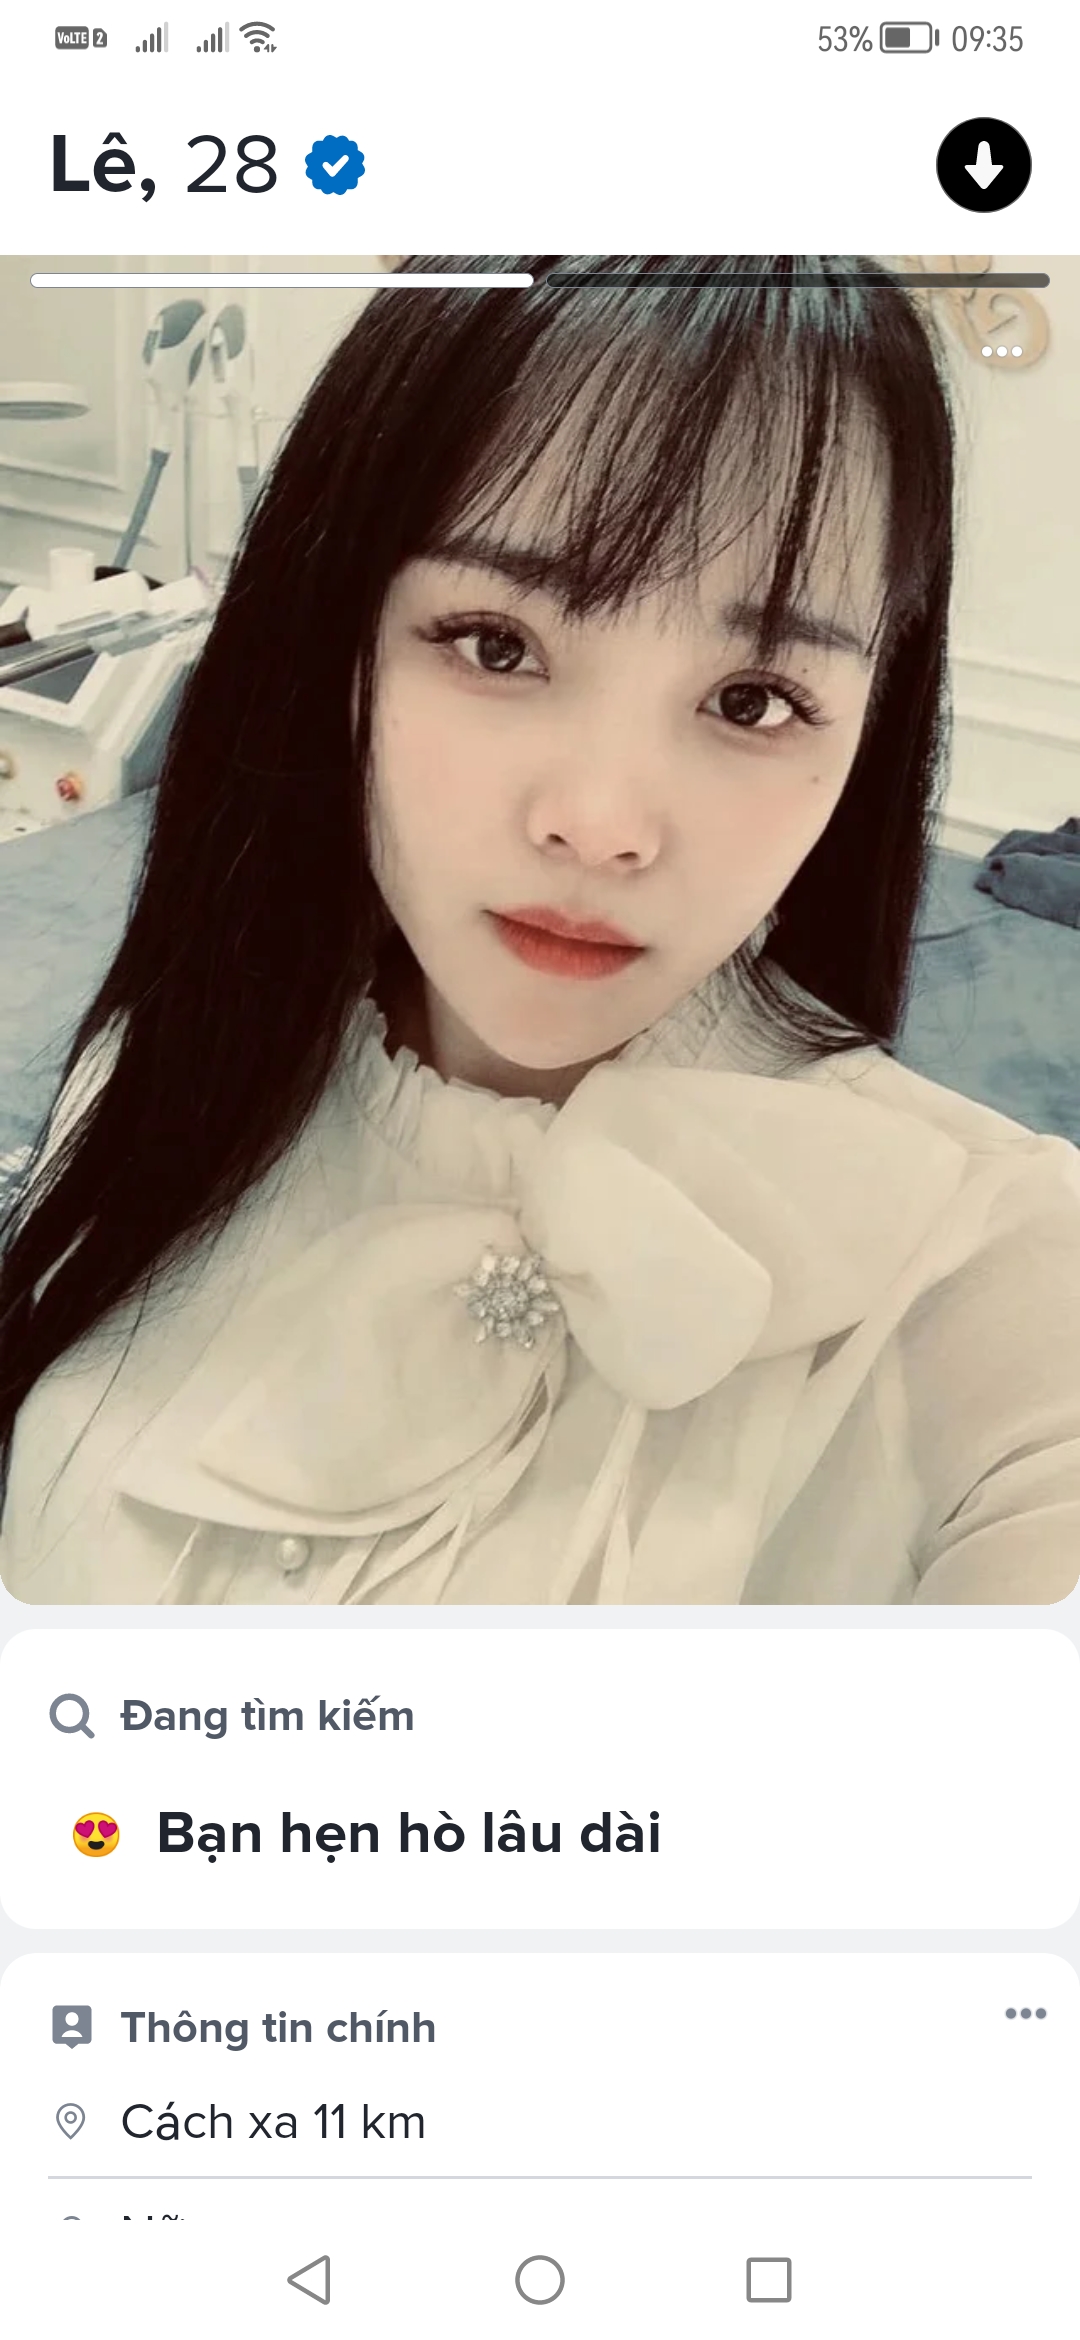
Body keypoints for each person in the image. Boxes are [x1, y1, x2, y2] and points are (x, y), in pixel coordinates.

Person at [1, 253, 1078, 1606]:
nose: (602, 825)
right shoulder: (168, 1057)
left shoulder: (1007, 1285)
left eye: (752, 700)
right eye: (496, 645)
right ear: (340, 645)